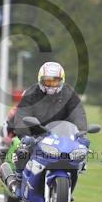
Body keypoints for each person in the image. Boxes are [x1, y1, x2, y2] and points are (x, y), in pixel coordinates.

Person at [8, 61, 89, 193]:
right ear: (40, 80)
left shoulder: (68, 93)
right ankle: (18, 181)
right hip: (35, 134)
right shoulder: (31, 93)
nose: (51, 85)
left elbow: (78, 113)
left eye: (55, 81)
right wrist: (25, 136)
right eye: (47, 81)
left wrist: (81, 134)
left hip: (61, 135)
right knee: (22, 152)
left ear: (62, 81)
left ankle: (67, 189)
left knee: (77, 156)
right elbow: (22, 114)